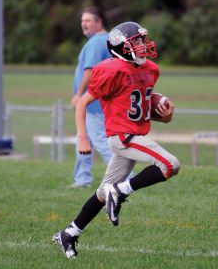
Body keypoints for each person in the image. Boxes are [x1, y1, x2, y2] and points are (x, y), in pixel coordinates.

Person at [53, 21, 181, 259]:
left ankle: (69, 233)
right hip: (122, 138)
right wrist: (83, 137)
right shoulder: (111, 70)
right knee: (170, 164)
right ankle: (121, 191)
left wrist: (166, 115)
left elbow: (140, 111)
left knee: (103, 192)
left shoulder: (150, 69)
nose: (144, 45)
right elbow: (82, 102)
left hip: (134, 136)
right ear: (122, 47)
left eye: (143, 40)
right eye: (138, 42)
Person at [70, 7, 112, 188]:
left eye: (88, 21)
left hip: (93, 104)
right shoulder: (108, 39)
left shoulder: (96, 42)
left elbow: (90, 70)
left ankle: (126, 177)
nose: (83, 24)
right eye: (82, 21)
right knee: (83, 140)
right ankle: (82, 179)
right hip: (99, 103)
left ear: (99, 22)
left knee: (101, 143)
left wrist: (79, 95)